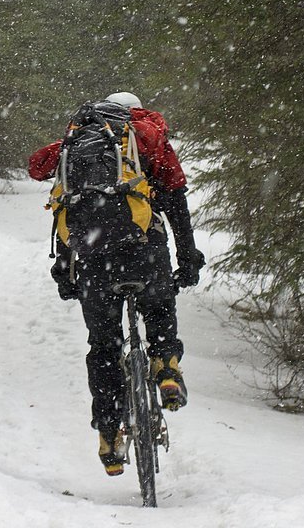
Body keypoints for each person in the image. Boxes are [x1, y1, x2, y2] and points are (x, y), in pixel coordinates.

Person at [28, 92, 205, 476]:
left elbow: (63, 200)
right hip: (142, 248)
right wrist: (187, 256)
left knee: (104, 346)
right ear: (134, 110)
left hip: (93, 260)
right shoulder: (144, 138)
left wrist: (65, 266)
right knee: (158, 306)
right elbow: (175, 200)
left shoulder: (75, 143)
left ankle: (109, 433)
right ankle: (166, 366)